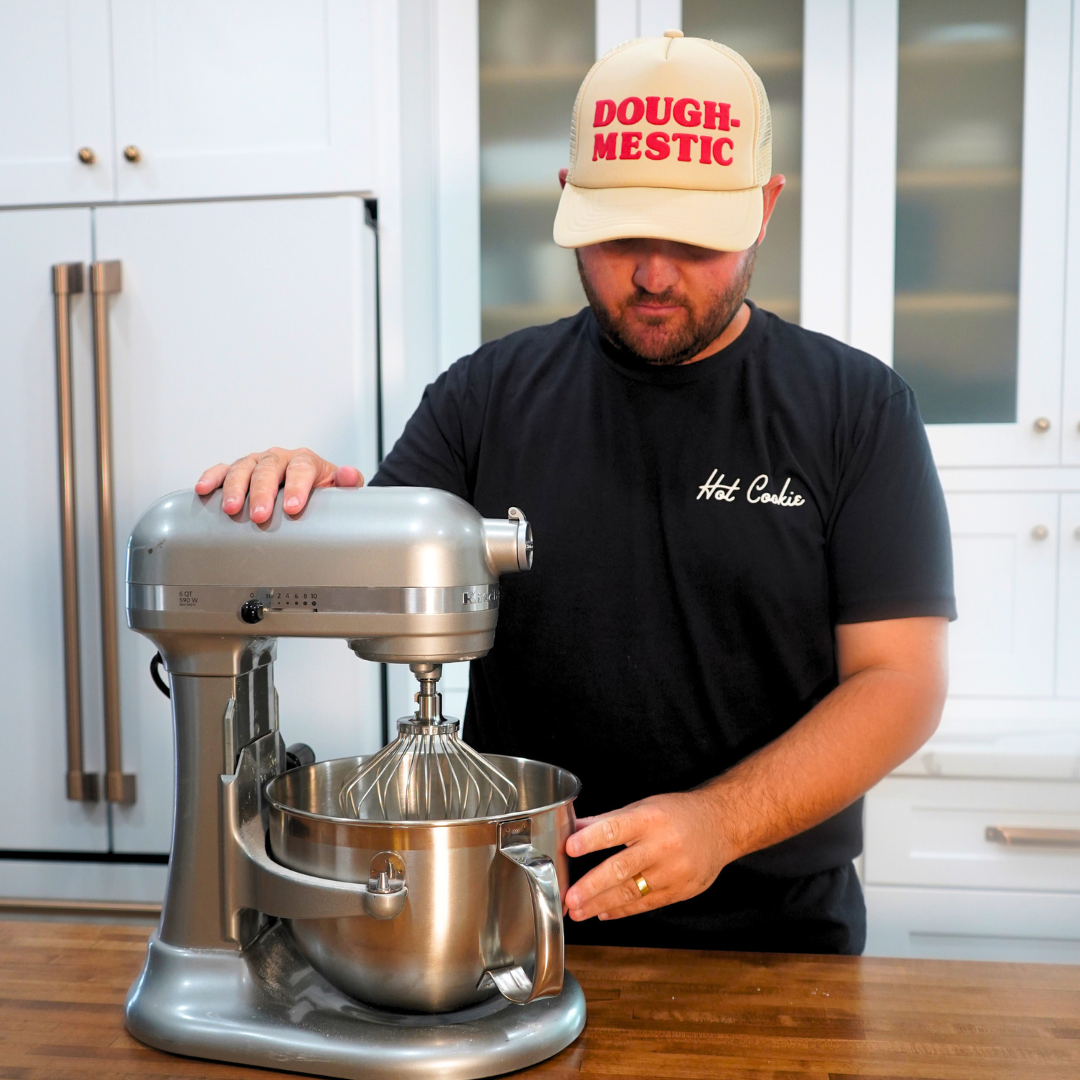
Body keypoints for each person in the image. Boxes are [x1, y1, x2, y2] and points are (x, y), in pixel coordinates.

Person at [196, 32, 954, 954]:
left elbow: (900, 682)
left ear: (763, 208)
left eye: (696, 240)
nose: (654, 275)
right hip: (516, 926)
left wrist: (719, 824)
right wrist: (301, 500)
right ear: (570, 202)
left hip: (779, 938)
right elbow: (366, 603)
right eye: (623, 233)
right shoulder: (485, 396)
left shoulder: (857, 409)